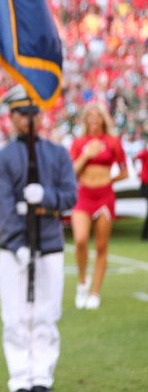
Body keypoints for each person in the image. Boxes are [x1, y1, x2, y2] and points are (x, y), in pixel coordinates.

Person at [0, 85, 77, 392]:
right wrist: (17, 242)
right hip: (15, 249)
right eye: (21, 113)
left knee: (45, 315)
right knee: (14, 317)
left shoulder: (58, 153)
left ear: (40, 115)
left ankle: (41, 378)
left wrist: (48, 197)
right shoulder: (2, 157)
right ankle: (19, 381)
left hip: (50, 243)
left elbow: (70, 195)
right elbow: (1, 204)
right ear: (11, 117)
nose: (28, 119)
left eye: (32, 112)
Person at [69, 102, 128, 309]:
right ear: (85, 120)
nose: (94, 120)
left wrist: (109, 182)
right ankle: (83, 282)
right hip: (83, 195)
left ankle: (95, 292)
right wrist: (87, 154)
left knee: (102, 246)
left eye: (97, 116)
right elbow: (72, 172)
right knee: (80, 240)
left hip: (105, 197)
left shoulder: (113, 142)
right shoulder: (79, 142)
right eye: (90, 116)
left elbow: (124, 171)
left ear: (103, 119)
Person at [134, 144, 148, 240]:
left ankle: (145, 234)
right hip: (146, 184)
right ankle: (145, 234)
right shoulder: (146, 153)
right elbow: (135, 157)